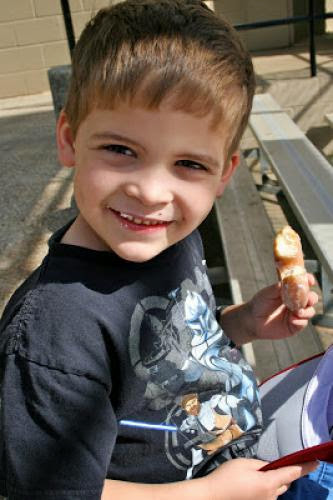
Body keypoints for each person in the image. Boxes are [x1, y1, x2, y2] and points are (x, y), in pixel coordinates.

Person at [0, 1, 319, 499]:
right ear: (69, 139)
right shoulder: (52, 337)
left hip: (257, 454)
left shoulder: (171, 238)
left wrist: (240, 324)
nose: (151, 193)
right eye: (120, 151)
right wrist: (209, 495)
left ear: (224, 174)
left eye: (189, 164)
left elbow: (169, 358)